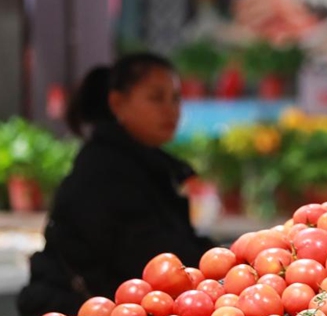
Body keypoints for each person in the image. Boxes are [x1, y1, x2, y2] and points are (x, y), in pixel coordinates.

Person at [17, 53, 215, 316]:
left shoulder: (142, 163)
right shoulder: (107, 170)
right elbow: (150, 255)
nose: (171, 109)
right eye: (156, 98)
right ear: (118, 103)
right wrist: (221, 260)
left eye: (176, 98)